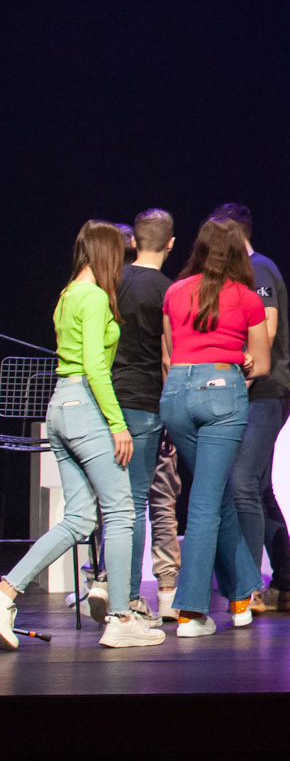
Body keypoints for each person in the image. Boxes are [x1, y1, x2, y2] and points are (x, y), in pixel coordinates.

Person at [0, 222, 164, 650]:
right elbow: (94, 365)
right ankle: (122, 616)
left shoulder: (68, 294)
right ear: (107, 255)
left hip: (61, 406)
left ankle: (6, 591)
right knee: (122, 511)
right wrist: (117, 423)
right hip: (85, 406)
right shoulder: (92, 297)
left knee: (78, 519)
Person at [160, 215, 273, 636]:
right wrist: (233, 369)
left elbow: (171, 354)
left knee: (216, 495)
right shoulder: (246, 297)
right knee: (207, 502)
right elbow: (260, 363)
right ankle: (190, 610)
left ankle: (242, 593)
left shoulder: (173, 292)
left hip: (175, 394)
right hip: (221, 392)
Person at [211, 203, 290, 616]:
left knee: (243, 484)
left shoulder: (259, 269)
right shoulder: (238, 273)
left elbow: (264, 333)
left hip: (265, 390)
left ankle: (246, 588)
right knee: (259, 490)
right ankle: (286, 584)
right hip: (249, 391)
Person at [110, 208, 182, 624]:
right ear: (171, 244)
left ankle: (109, 582)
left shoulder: (111, 281)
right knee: (146, 500)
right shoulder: (170, 292)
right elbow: (168, 359)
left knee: (115, 502)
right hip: (145, 404)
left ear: (134, 241)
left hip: (107, 401)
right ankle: (133, 596)